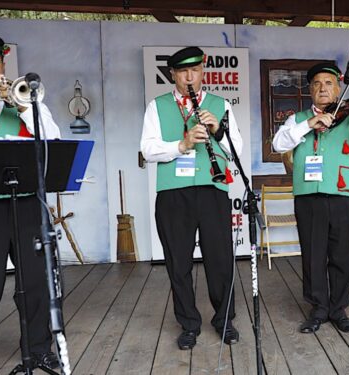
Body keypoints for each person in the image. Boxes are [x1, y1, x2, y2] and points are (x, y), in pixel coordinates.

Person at [0, 36, 62, 374]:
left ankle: (39, 349)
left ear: (4, 66)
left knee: (36, 282)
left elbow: (53, 142)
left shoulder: (22, 99)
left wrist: (22, 107)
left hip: (25, 202)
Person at [140, 46, 243, 349]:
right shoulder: (156, 106)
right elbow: (147, 150)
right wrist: (181, 145)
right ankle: (188, 323)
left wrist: (218, 131)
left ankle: (225, 320)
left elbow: (234, 152)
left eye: (195, 70)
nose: (189, 77)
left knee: (220, 259)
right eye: (183, 71)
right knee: (178, 261)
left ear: (203, 70)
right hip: (173, 194)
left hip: (213, 192)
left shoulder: (220, 105)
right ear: (172, 74)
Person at [272, 62, 349, 334]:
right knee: (313, 254)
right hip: (308, 196)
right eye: (317, 84)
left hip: (342, 194)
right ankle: (318, 307)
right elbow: (278, 145)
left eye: (329, 83)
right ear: (310, 90)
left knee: (342, 254)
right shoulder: (296, 120)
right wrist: (310, 123)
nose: (323, 88)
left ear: (337, 89)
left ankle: (339, 308)